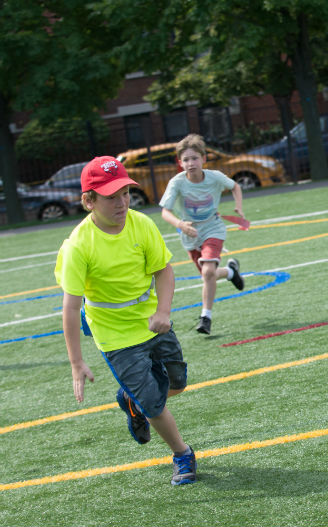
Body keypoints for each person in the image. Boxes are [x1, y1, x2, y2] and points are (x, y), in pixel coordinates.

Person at [55, 156, 197, 485]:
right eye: (110, 196)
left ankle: (131, 399)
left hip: (151, 320)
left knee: (177, 383)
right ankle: (182, 453)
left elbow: (163, 270)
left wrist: (163, 311)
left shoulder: (141, 224)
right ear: (89, 201)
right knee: (153, 401)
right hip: (114, 335)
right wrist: (77, 362)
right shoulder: (78, 246)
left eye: (125, 193)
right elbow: (70, 306)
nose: (121, 202)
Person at [159, 133, 245, 335]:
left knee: (207, 273)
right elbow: (165, 211)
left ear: (204, 159)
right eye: (186, 159)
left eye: (195, 158)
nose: (191, 163)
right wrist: (181, 224)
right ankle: (231, 271)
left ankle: (205, 317)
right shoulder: (177, 183)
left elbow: (236, 187)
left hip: (213, 227)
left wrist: (238, 207)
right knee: (210, 275)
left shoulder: (214, 177)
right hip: (190, 234)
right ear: (180, 163)